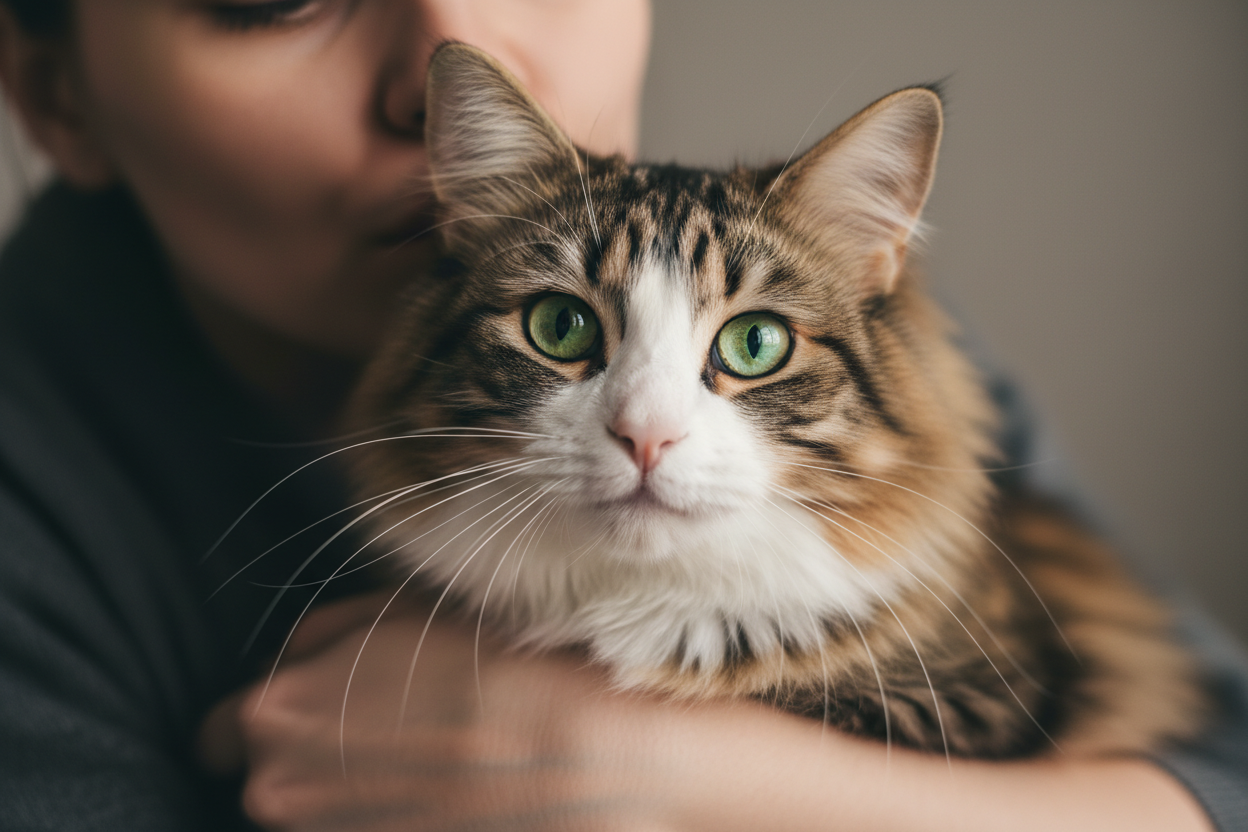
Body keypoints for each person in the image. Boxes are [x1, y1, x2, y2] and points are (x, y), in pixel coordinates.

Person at [0, 1, 1243, 830]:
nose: (459, 54)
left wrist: (654, 770)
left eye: (748, 346)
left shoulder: (881, 377)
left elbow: (1222, 773)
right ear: (55, 96)